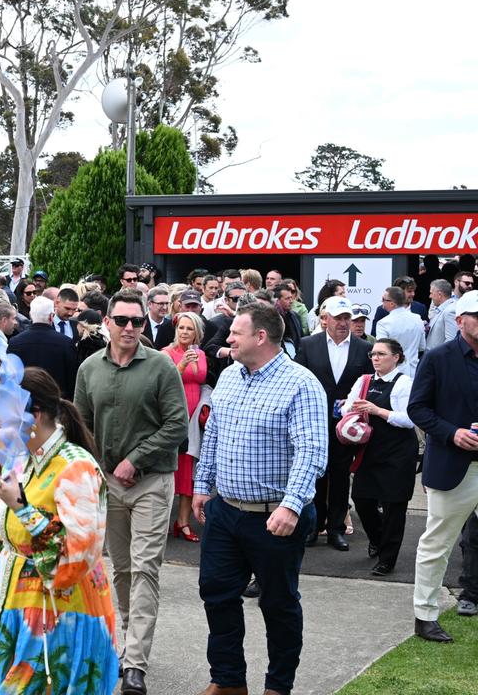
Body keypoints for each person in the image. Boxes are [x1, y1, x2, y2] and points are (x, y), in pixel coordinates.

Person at [0, 368, 119, 695]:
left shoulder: (76, 467)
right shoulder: (20, 461)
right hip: (15, 610)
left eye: (3, 420)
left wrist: (22, 508)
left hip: (59, 619)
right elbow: (9, 538)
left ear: (35, 415)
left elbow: (75, 562)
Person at [193, 301, 326, 695]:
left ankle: (278, 687)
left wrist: (291, 504)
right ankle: (228, 681)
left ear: (261, 337)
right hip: (225, 512)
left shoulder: (300, 383)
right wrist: (203, 485)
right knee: (216, 594)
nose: (227, 338)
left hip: (275, 518)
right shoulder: (231, 376)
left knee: (278, 604)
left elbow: (312, 451)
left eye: (236, 332)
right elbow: (214, 433)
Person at [73, 289, 187, 695]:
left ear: (145, 324)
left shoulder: (160, 367)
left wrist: (134, 459)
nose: (129, 328)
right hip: (108, 486)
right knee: (120, 570)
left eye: (136, 322)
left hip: (152, 482)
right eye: (121, 320)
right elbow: (81, 426)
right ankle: (126, 640)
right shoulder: (89, 368)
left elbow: (177, 425)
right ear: (106, 322)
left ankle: (135, 662)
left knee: (145, 568)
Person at [408, 290, 478, 643]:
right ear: (460, 319)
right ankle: (425, 615)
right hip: (453, 465)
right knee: (438, 543)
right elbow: (417, 408)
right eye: (476, 315)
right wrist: (453, 434)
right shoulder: (438, 357)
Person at [295, 296, 374, 551]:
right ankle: (314, 526)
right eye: (338, 318)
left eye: (346, 318)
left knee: (340, 476)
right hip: (314, 420)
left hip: (347, 425)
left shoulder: (362, 348)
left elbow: (368, 383)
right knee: (316, 474)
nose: (343, 323)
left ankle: (336, 529)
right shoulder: (309, 344)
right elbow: (297, 379)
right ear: (324, 319)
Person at [339, 337, 417, 576]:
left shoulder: (405, 383)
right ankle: (379, 539)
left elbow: (410, 419)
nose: (375, 358)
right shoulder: (364, 381)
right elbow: (344, 408)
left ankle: (387, 559)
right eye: (373, 354)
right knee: (362, 499)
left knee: (394, 506)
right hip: (369, 451)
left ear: (396, 357)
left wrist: (378, 411)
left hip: (398, 453)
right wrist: (351, 409)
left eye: (381, 354)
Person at [163, 312, 211, 543]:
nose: (184, 332)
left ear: (196, 333)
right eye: (181, 327)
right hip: (172, 416)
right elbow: (165, 380)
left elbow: (201, 378)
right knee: (168, 472)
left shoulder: (200, 354)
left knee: (188, 473)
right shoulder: (165, 353)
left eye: (189, 329)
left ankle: (182, 522)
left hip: (193, 420)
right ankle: (159, 522)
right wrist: (181, 363)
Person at [8, 295, 78, 398]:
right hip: (55, 403)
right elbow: (72, 380)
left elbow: (10, 378)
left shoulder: (15, 342)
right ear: (51, 316)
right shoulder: (66, 343)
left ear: (31, 315)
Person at [373, 286, 425, 376]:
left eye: (383, 299)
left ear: (392, 303)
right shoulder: (417, 319)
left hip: (393, 373)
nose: (382, 302)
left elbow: (381, 351)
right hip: (414, 372)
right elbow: (422, 346)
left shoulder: (383, 323)